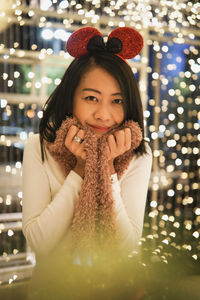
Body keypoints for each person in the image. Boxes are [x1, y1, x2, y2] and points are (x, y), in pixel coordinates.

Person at [22, 27, 152, 262]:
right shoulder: (39, 147)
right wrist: (81, 169)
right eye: (91, 98)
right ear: (71, 96)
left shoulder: (138, 153)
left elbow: (127, 247)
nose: (103, 114)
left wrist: (108, 168)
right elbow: (39, 243)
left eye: (117, 100)